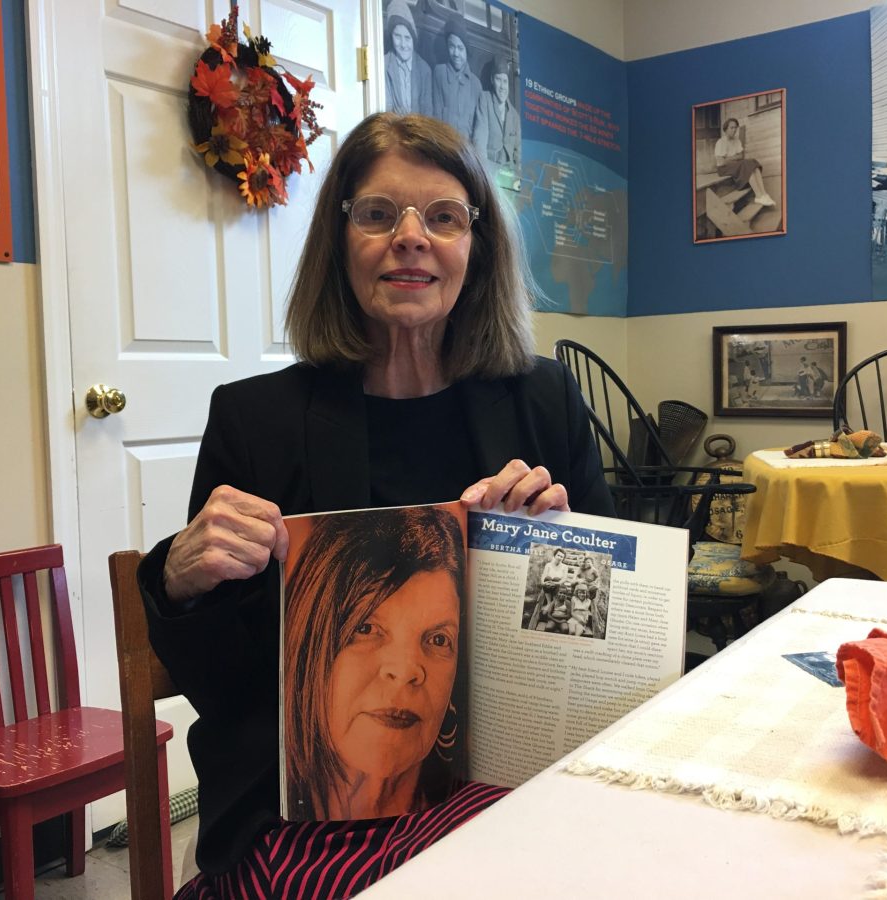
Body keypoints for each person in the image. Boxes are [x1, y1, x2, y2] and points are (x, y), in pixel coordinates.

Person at [137, 111, 614, 898]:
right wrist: (183, 578)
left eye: (445, 217)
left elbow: (599, 651)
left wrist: (560, 558)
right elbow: (222, 684)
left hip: (512, 779)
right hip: (313, 812)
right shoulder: (253, 421)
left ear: (478, 247)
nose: (412, 236)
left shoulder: (543, 400)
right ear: (341, 240)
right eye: (378, 213)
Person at [282, 506, 465, 821]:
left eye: (438, 640)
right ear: (311, 643)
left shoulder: (478, 817)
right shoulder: (264, 840)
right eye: (365, 629)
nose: (406, 670)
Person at [432, 17, 482, 137]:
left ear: (466, 50)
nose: (455, 53)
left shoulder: (475, 84)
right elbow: (435, 115)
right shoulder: (439, 73)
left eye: (460, 48)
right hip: (445, 146)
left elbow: (478, 127)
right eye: (451, 46)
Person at [383, 0, 432, 117]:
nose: (403, 44)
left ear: (413, 39)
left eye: (407, 38)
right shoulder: (384, 64)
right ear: (391, 36)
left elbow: (427, 113)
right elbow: (385, 108)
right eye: (397, 37)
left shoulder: (424, 70)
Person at [714, 117, 775, 208]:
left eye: (736, 128)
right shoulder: (721, 142)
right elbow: (721, 162)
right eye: (732, 128)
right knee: (745, 164)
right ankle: (758, 196)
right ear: (726, 129)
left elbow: (741, 156)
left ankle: (764, 194)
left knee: (752, 162)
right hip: (723, 168)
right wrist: (735, 158)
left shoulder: (737, 141)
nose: (734, 130)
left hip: (734, 165)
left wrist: (729, 157)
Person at [472, 56, 519, 169]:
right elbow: (479, 139)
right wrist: (483, 170)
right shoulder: (485, 99)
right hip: (489, 167)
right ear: (492, 80)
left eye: (505, 81)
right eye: (498, 80)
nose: (502, 86)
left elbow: (519, 153)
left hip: (509, 174)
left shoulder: (514, 115)